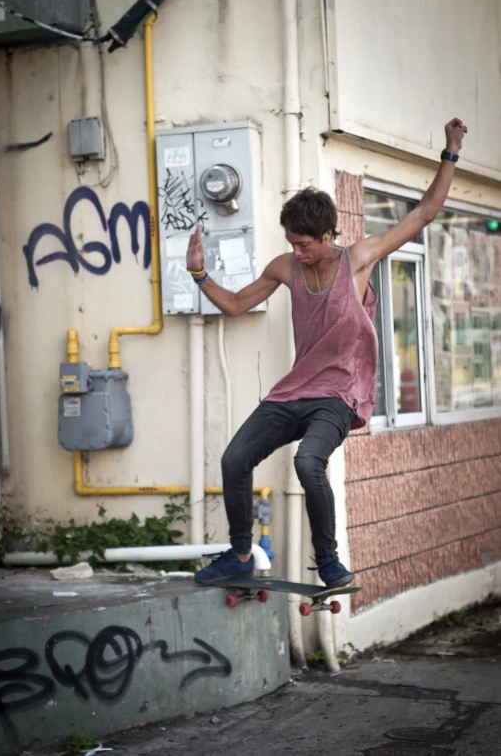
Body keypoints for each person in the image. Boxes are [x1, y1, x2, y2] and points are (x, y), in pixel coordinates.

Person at [186, 118, 467, 588]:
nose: (296, 253)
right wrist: (199, 275)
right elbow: (235, 305)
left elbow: (424, 213)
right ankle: (238, 554)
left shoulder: (357, 259)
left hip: (339, 393)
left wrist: (451, 152)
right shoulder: (284, 267)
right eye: (291, 243)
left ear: (328, 235)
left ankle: (329, 561)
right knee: (235, 459)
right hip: (295, 389)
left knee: (307, 462)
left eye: (304, 245)